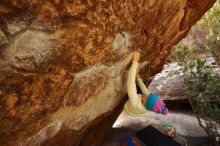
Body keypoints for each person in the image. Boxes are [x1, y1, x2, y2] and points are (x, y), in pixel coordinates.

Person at [124, 51, 168, 116]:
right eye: (149, 95)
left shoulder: (135, 103)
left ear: (145, 103)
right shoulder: (148, 103)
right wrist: (139, 79)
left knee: (131, 94)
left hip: (128, 108)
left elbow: (131, 84)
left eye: (147, 97)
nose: (146, 95)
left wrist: (135, 62)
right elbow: (145, 91)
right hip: (137, 111)